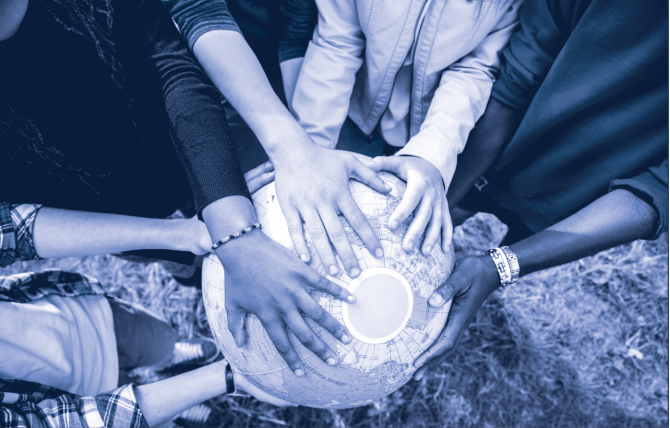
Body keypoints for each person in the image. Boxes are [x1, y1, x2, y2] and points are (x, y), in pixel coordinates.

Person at [0, 0, 359, 376]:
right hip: (107, 219)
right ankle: (205, 293)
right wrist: (178, 236)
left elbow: (169, 56)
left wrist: (232, 224)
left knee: (271, 238)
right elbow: (15, 225)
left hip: (200, 149)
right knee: (191, 267)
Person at [412, 0, 668, 380]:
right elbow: (519, 74)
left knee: (492, 264)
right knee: (442, 220)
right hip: (500, 147)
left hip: (584, 206)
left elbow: (658, 190)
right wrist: (444, 201)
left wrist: (500, 266)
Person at [0, 163, 293, 428]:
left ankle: (170, 356)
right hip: (78, 399)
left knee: (159, 338)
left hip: (83, 317)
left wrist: (181, 234)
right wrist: (228, 376)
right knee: (153, 415)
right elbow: (68, 422)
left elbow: (15, 228)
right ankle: (176, 407)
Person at [165, 0, 395, 283]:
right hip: (202, 78)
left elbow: (296, 30)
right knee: (216, 195)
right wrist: (293, 147)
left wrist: (306, 143)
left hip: (289, 66)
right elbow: (195, 12)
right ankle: (196, 270)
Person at [288, 0, 522, 257]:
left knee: (393, 238)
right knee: (323, 216)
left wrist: (431, 153)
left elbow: (473, 69)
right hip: (346, 110)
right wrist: (310, 147)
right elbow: (337, 42)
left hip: (431, 129)